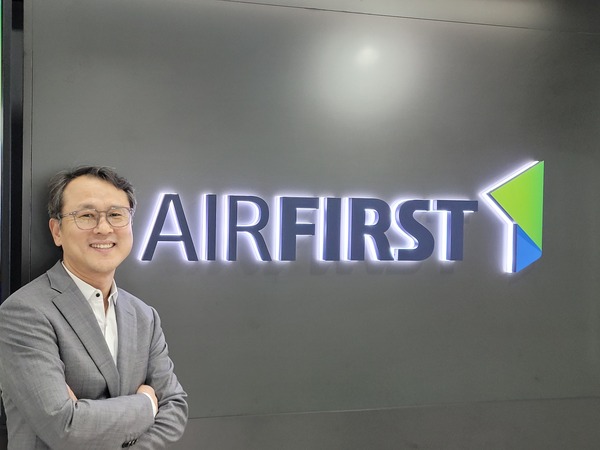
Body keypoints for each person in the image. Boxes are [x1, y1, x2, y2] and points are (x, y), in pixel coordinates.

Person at [0, 166, 188, 449]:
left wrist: (88, 415)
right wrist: (148, 404)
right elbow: (64, 427)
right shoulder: (24, 313)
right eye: (86, 215)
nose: (103, 228)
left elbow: (175, 407)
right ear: (57, 231)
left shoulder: (143, 316)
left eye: (116, 215)